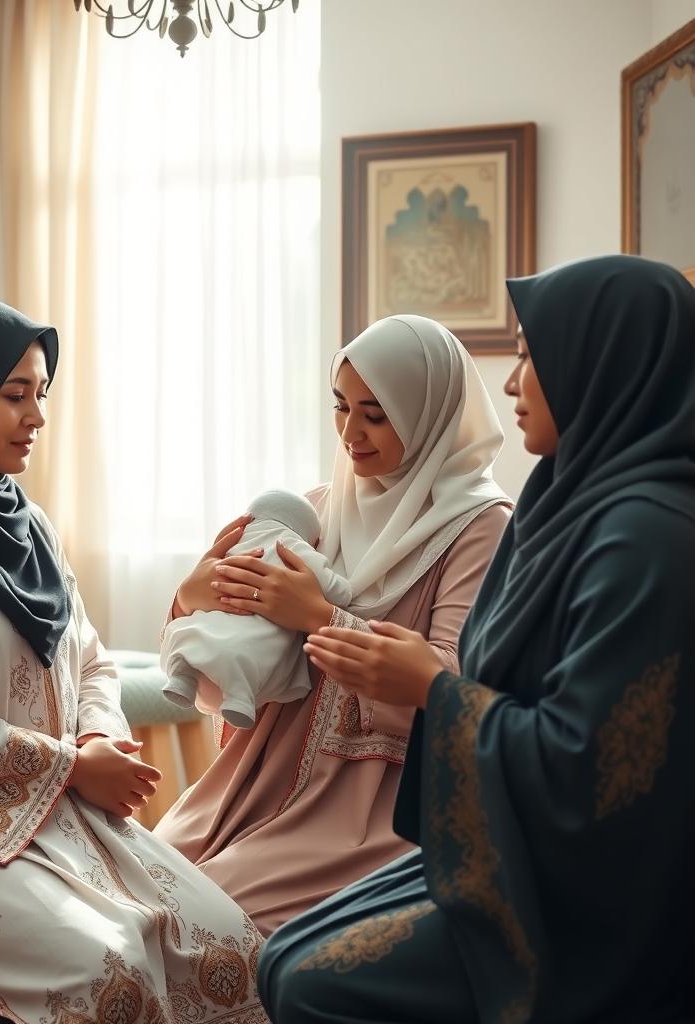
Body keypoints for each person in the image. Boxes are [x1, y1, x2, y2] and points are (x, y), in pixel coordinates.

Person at [258, 254, 695, 1023]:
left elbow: (589, 773)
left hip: (584, 900)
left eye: (533, 357)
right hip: (496, 839)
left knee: (306, 982)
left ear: (605, 369)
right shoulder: (562, 500)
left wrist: (430, 688)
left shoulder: (646, 541)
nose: (513, 382)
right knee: (282, 955)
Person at [0, 296, 269, 1024]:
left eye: (42, 395)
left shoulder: (25, 519)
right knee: (114, 971)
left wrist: (95, 737)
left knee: (230, 946)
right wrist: (68, 764)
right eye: (13, 396)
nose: (36, 416)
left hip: (67, 809)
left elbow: (91, 659)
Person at [154, 314, 512, 936]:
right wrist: (191, 600)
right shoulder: (317, 506)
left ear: (428, 414)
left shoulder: (480, 527)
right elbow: (232, 665)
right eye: (341, 407)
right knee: (134, 901)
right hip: (253, 780)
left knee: (205, 928)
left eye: (376, 414)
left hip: (375, 811)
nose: (351, 432)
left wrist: (318, 617)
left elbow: (457, 687)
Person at [162, 488, 355, 729]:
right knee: (250, 651)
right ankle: (239, 699)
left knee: (188, 631)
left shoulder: (240, 539)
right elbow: (337, 590)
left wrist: (316, 614)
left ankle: (182, 676)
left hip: (210, 622)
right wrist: (187, 596)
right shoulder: (297, 540)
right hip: (251, 634)